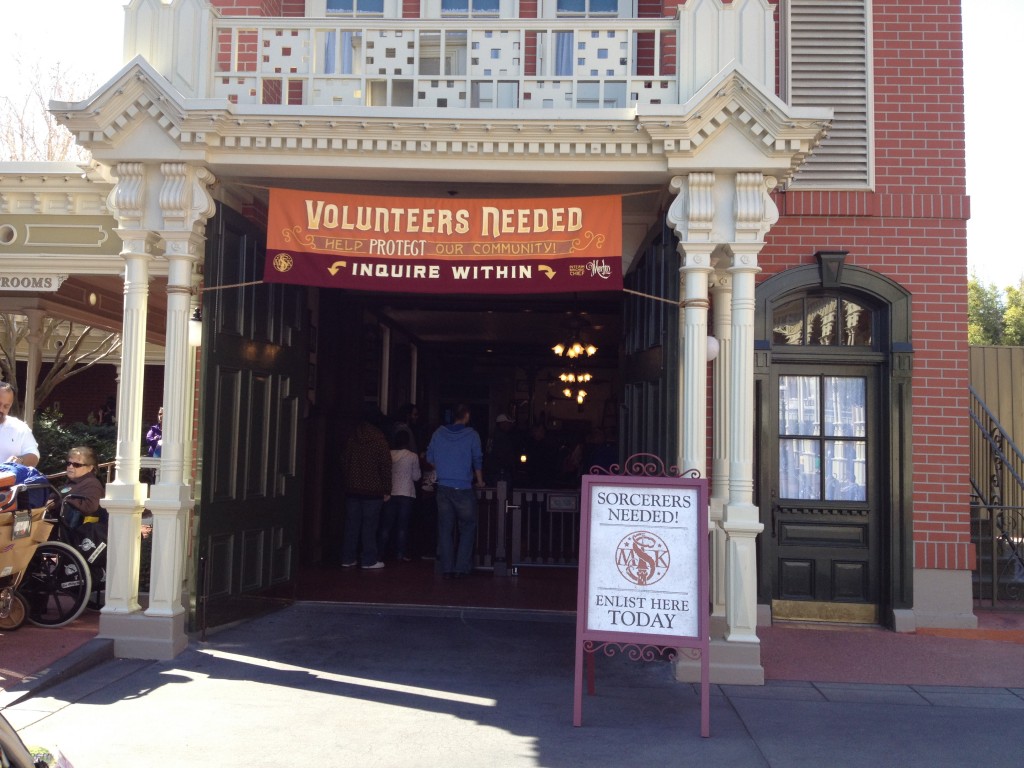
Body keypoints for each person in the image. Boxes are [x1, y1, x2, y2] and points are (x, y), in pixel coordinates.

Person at [425, 403, 484, 578]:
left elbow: (430, 457)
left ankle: (447, 568)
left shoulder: (438, 433)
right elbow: (477, 460)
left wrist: (443, 468)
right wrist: (479, 480)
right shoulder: (472, 435)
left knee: (445, 528)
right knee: (467, 527)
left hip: (443, 487)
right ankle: (461, 568)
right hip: (463, 487)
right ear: (466, 416)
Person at [340, 404, 392, 570]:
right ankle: (369, 560)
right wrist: (387, 489)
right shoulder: (379, 439)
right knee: (369, 526)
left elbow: (344, 461)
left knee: (351, 526)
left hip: (352, 488)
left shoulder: (352, 437)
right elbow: (385, 466)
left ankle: (348, 558)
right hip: (373, 490)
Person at [378, 429, 422, 562]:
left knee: (386, 525)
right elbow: (416, 476)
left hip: (390, 492)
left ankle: (380, 553)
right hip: (406, 493)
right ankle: (400, 554)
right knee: (402, 526)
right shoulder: (412, 456)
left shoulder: (389, 454)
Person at [0, 382, 39, 467]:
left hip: (8, 479)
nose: (1, 409)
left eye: (6, 406)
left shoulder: (19, 427)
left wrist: (21, 461)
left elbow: (33, 455)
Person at [485, 413, 521, 485]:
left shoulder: (492, 436)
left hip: (492, 471)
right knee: (502, 494)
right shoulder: (502, 438)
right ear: (502, 423)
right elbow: (505, 456)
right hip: (501, 472)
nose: (510, 425)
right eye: (508, 423)